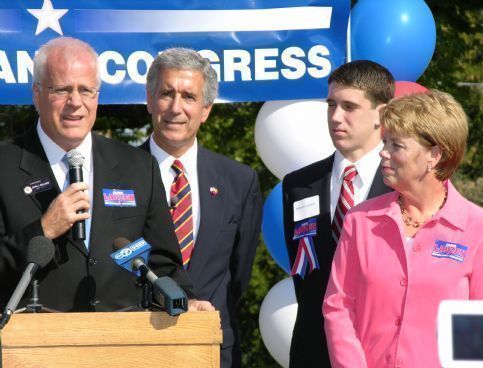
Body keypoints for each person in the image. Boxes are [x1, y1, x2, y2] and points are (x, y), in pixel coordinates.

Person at [0, 37, 212, 313]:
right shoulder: (5, 165)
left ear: (97, 96)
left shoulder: (138, 166)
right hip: (31, 348)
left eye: (86, 90)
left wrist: (186, 300)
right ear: (37, 94)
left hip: (122, 346)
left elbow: (163, 264)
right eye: (62, 89)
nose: (75, 102)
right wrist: (43, 230)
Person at [323, 90, 483, 367]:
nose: (382, 153)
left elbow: (480, 330)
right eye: (384, 142)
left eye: (395, 145)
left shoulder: (480, 229)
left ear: (434, 155)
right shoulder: (360, 220)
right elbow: (338, 307)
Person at [140, 47, 262, 368]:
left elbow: (238, 276)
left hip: (213, 348)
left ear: (206, 109)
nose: (176, 108)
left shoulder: (239, 180)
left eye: (189, 97)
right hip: (137, 342)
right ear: (150, 100)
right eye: (167, 94)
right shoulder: (116, 175)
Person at [282, 60, 395, 367]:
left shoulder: (401, 186)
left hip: (379, 351)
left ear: (381, 114)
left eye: (349, 106)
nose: (335, 117)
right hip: (312, 350)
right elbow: (304, 275)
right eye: (331, 104)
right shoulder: (299, 185)